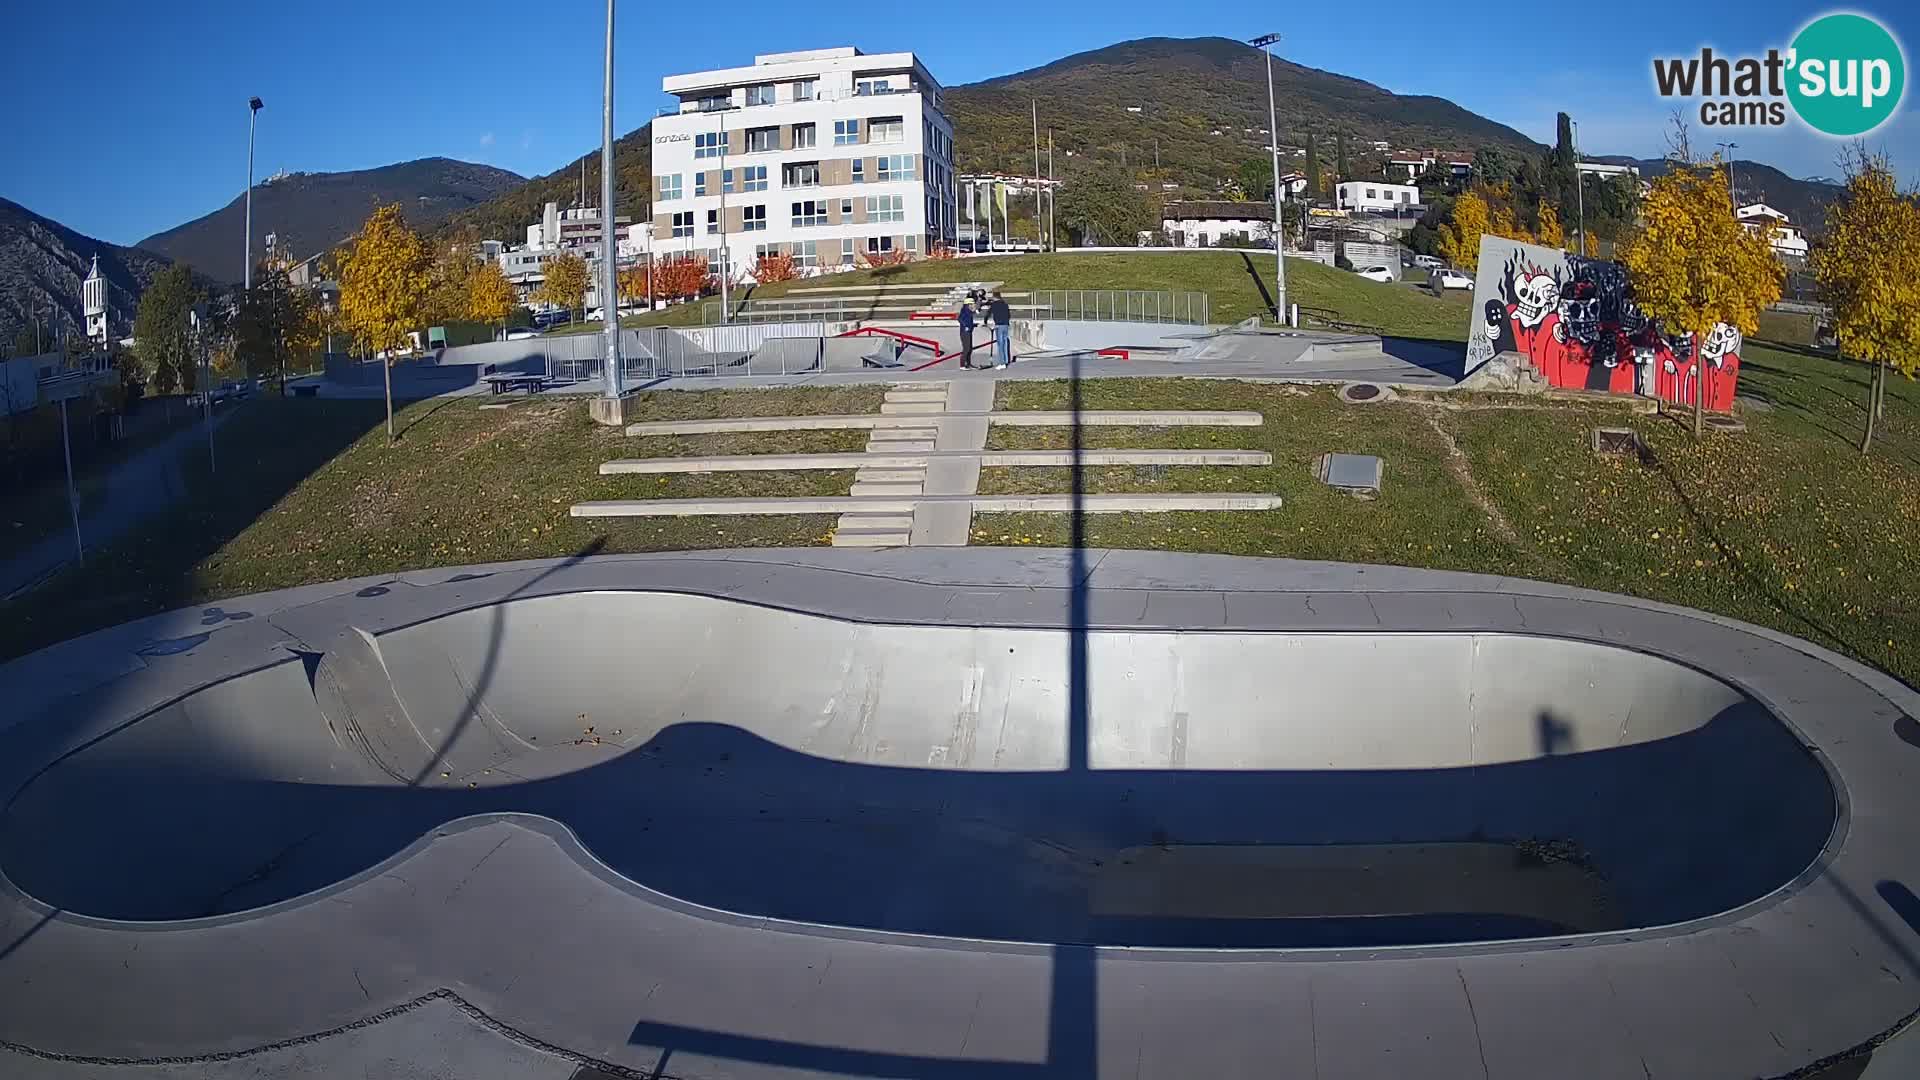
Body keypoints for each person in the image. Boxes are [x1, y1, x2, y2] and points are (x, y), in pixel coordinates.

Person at [988, 291, 1013, 368]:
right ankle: (1006, 360)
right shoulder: (1005, 304)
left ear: (994, 297)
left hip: (999, 325)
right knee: (1005, 343)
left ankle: (1002, 363)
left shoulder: (994, 304)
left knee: (1000, 344)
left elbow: (988, 313)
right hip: (1006, 324)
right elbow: (1009, 315)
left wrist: (986, 321)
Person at [957, 299, 977, 368]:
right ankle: (962, 365)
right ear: (968, 304)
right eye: (972, 304)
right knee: (966, 348)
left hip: (969, 331)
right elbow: (960, 319)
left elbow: (968, 321)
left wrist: (974, 325)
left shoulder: (968, 311)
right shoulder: (965, 310)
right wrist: (965, 326)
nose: (973, 305)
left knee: (970, 348)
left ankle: (968, 363)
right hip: (965, 332)